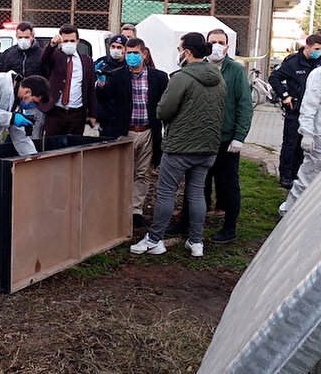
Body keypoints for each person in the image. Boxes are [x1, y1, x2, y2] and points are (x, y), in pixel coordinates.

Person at [130, 33, 226, 258]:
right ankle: (196, 241)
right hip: (208, 146)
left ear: (188, 52)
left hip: (180, 147)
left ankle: (154, 239)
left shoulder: (182, 77)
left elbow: (163, 110)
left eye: (180, 48)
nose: (179, 52)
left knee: (166, 193)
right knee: (196, 193)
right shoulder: (219, 77)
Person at [168, 29, 253, 243]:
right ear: (206, 45)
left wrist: (239, 136)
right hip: (201, 138)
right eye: (212, 42)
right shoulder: (197, 67)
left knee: (228, 185)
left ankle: (229, 228)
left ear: (227, 46)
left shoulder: (235, 70)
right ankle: (187, 222)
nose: (216, 45)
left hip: (225, 140)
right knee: (196, 184)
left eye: (220, 42)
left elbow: (244, 104)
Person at [96, 38, 168, 228]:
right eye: (128, 53)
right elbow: (104, 99)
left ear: (144, 54)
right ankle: (118, 208)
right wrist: (101, 85)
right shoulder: (115, 75)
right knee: (122, 172)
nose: (131, 56)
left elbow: (164, 105)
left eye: (135, 53)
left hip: (147, 131)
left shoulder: (159, 77)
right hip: (124, 132)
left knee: (143, 173)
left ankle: (136, 210)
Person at [279, 45, 321, 216]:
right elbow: (309, 105)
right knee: (309, 174)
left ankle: (314, 212)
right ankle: (289, 211)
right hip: (320, 135)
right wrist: (307, 132)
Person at [269, 34, 321, 189]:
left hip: (312, 111)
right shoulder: (293, 62)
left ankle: (297, 174)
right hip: (295, 109)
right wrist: (285, 96)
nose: (319, 52)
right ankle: (285, 176)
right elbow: (274, 77)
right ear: (307, 46)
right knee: (290, 144)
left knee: (304, 146)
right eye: (316, 49)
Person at [40, 24, 97, 136]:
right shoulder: (55, 56)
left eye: (72, 40)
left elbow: (90, 88)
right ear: (61, 42)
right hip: (56, 111)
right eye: (65, 41)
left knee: (75, 147)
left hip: (77, 113)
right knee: (53, 147)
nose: (69, 43)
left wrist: (92, 114)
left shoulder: (86, 60)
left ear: (77, 41)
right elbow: (44, 59)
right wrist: (52, 45)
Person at [0, 21, 46, 138]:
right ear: (16, 37)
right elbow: (0, 74)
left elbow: (48, 78)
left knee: (33, 136)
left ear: (33, 36)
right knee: (13, 136)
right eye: (20, 37)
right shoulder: (9, 54)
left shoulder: (41, 55)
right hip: (14, 103)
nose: (23, 40)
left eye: (26, 37)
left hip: (35, 103)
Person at [94, 34, 128, 134]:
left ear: (125, 49)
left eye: (119, 47)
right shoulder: (102, 63)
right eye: (113, 47)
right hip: (105, 115)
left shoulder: (129, 65)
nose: (115, 50)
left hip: (123, 114)